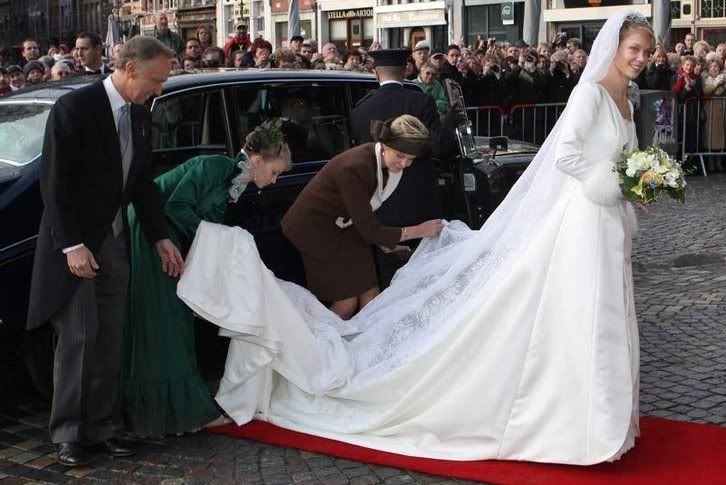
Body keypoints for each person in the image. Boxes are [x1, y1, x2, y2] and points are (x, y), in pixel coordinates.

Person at [178, 9, 651, 466]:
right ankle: (322, 354)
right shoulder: (398, 125)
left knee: (372, 295)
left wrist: (637, 182)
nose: (640, 58)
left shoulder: (362, 109)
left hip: (595, 222)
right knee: (351, 301)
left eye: (645, 51)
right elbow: (380, 208)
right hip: (324, 231)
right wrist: (411, 230)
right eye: (633, 48)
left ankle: (347, 345)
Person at [26, 36, 184, 467]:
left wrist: (159, 236)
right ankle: (70, 433)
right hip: (75, 247)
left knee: (111, 338)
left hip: (114, 245)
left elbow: (141, 183)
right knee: (78, 339)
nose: (160, 90)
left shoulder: (140, 115)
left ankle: (101, 426)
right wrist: (71, 246)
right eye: (155, 80)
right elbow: (54, 183)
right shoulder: (75, 108)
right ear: (129, 68)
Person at [120, 118, 292, 437]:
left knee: (169, 319)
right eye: (275, 171)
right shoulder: (215, 166)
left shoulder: (231, 183)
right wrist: (226, 239)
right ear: (257, 160)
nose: (275, 180)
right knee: (167, 321)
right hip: (153, 235)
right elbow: (178, 207)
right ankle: (181, 413)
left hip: (163, 236)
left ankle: (163, 411)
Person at [281, 116, 443, 319]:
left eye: (411, 159)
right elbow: (369, 229)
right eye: (400, 155)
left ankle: (366, 345)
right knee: (347, 302)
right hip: (314, 230)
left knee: (371, 294)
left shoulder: (382, 162)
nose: (404, 164)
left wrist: (384, 241)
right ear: (384, 145)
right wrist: (419, 230)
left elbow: (366, 216)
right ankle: (320, 347)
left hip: (347, 225)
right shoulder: (355, 167)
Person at [350, 49, 446, 288]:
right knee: (423, 281)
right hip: (419, 206)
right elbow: (437, 147)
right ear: (406, 71)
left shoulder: (360, 110)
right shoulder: (421, 101)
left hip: (381, 209)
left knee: (388, 284)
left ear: (375, 74)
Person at [700, 58, 726, 171]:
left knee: (722, 135)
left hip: (724, 108)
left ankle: (719, 161)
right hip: (710, 108)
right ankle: (710, 161)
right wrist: (715, 84)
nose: (714, 68)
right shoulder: (705, 78)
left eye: (716, 66)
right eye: (711, 66)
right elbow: (705, 92)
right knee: (710, 135)